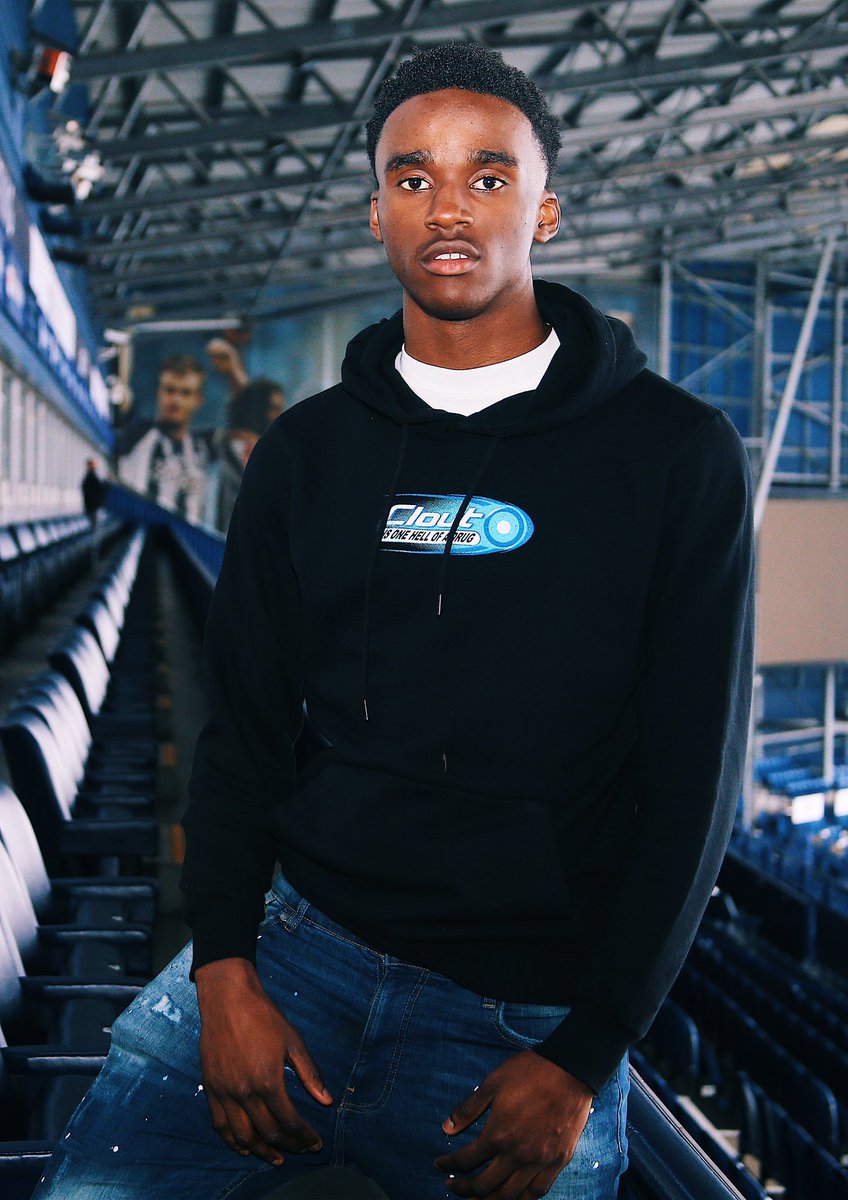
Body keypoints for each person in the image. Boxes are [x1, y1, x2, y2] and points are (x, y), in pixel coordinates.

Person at [34, 42, 754, 1200]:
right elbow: (243, 737)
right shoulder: (305, 453)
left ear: (546, 209)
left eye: (488, 176)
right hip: (297, 947)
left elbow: (693, 785)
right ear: (376, 213)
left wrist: (584, 1053)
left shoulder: (673, 454)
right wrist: (222, 971)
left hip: (524, 1014)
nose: (447, 207)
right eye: (412, 177)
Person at [116, 353, 213, 523]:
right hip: (137, 534)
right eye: (170, 390)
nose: (176, 400)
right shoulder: (137, 433)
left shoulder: (203, 446)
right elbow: (123, 398)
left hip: (190, 538)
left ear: (198, 400)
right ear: (158, 392)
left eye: (185, 393)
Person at [204, 378, 285, 532]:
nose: (277, 416)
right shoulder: (220, 446)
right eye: (272, 408)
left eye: (279, 409)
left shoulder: (276, 458)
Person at [80, 458, 105, 526]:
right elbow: (98, 489)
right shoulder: (92, 477)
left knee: (92, 520)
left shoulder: (89, 477)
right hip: (92, 504)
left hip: (90, 504)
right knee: (93, 521)